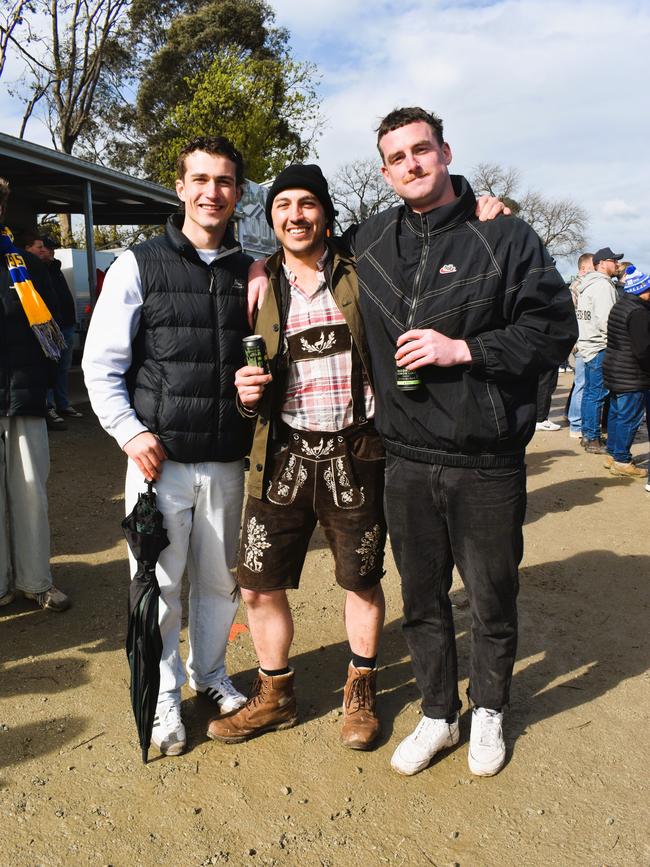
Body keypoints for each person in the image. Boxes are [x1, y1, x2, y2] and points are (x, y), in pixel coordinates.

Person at [344, 107, 577, 778]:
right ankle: (439, 713)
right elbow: (300, 245)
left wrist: (464, 348)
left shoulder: (504, 235)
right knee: (421, 600)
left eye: (422, 149)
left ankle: (490, 710)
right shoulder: (370, 239)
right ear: (385, 170)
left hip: (485, 459)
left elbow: (553, 328)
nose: (412, 164)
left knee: (492, 596)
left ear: (445, 152)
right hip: (406, 458)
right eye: (398, 156)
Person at [206, 165, 387, 751]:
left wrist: (479, 200)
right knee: (257, 586)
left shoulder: (362, 271)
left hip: (353, 452)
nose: (295, 215)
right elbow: (226, 362)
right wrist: (244, 390)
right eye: (283, 204)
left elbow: (419, 220)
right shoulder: (256, 284)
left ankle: (360, 690)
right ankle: (275, 694)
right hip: (281, 452)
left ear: (326, 214)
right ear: (271, 217)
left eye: (307, 204)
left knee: (360, 581)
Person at [83, 136, 253, 757]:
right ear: (180, 187)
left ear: (238, 192)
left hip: (227, 460)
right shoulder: (139, 264)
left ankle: (210, 675)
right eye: (201, 180)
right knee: (157, 586)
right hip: (159, 464)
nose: (213, 192)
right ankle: (161, 698)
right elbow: (100, 366)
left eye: (225, 181)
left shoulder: (250, 271)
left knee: (217, 583)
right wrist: (130, 432)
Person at [0, 178, 70, 612]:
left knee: (30, 492)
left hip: (24, 396)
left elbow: (56, 326)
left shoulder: (28, 266)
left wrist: (43, 383)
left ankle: (35, 581)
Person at [23, 232, 82, 429]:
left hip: (65, 324)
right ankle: (48, 407)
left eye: (49, 248)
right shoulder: (30, 269)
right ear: (27, 249)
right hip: (46, 327)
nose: (48, 251)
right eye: (42, 247)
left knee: (63, 368)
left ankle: (63, 404)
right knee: (48, 367)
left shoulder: (55, 268)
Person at [602, 265, 650, 479]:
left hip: (615, 368)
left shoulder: (621, 305)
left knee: (616, 412)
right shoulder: (638, 312)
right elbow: (643, 349)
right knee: (629, 417)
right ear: (642, 290)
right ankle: (621, 459)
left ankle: (613, 453)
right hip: (631, 372)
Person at [576, 246, 623, 453]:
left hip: (588, 344)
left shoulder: (588, 284)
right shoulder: (603, 286)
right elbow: (607, 321)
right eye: (614, 261)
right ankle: (592, 438)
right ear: (602, 263)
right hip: (600, 346)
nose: (617, 264)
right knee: (596, 394)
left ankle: (588, 435)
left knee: (590, 393)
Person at [567, 253, 594, 438]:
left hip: (583, 341)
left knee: (584, 384)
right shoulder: (577, 287)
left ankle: (578, 422)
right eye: (593, 266)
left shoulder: (584, 286)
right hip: (581, 342)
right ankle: (576, 424)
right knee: (582, 383)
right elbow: (572, 318)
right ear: (583, 268)